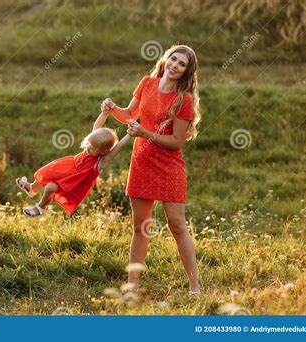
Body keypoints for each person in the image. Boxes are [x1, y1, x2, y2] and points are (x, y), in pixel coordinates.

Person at [101, 44, 202, 295]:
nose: (175, 66)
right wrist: (112, 108)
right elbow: (129, 116)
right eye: (173, 59)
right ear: (165, 59)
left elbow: (176, 141)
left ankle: (195, 285)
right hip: (142, 162)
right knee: (140, 226)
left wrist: (145, 133)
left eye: (182, 64)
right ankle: (132, 286)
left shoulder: (184, 100)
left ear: (187, 72)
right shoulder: (146, 83)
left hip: (169, 166)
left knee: (177, 225)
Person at [16, 111, 131, 217]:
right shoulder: (93, 144)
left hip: (73, 180)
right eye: (90, 143)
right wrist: (105, 112)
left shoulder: (101, 161)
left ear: (104, 150)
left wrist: (130, 134)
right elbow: (97, 124)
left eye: (93, 147)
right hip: (68, 166)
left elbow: (118, 148)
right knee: (46, 171)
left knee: (50, 187)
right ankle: (32, 188)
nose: (89, 147)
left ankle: (40, 208)